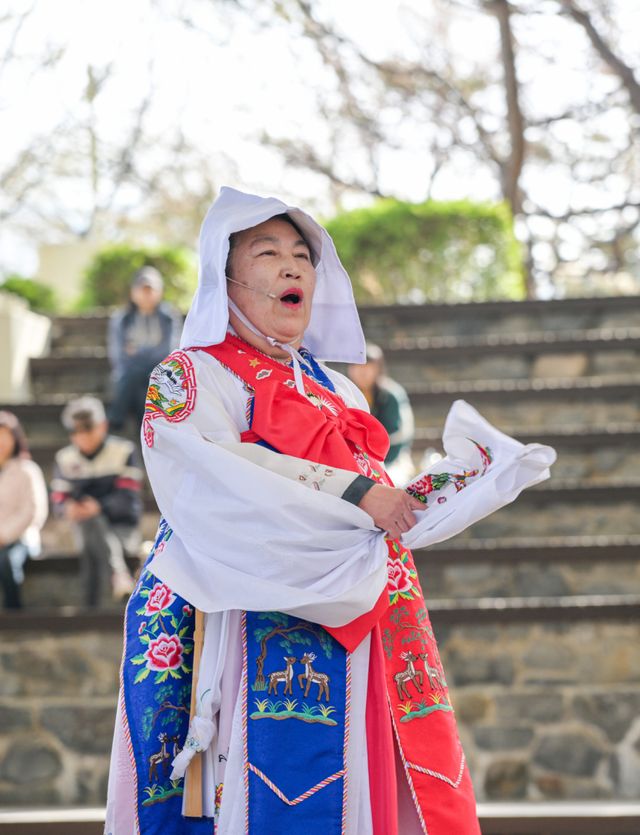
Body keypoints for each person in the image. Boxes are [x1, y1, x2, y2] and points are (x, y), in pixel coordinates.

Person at [105, 188, 482, 835]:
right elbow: (211, 470)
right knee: (258, 785)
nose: (292, 267)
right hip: (245, 604)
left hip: (363, 609)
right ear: (225, 279)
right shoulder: (190, 375)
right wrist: (356, 495)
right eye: (268, 253)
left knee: (360, 780)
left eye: (303, 256)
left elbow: (377, 489)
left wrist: (453, 487)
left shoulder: (338, 387)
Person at [50, 396, 142, 606]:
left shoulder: (123, 451)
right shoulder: (64, 459)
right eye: (75, 430)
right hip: (84, 529)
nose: (82, 436)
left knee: (92, 524)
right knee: (91, 522)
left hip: (123, 529)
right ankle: (118, 575)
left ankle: (88, 607)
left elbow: (128, 498)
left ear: (103, 426)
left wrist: (99, 507)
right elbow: (59, 500)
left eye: (88, 428)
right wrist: (69, 508)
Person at [107, 266, 182, 432]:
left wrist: (137, 351)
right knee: (136, 381)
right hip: (129, 373)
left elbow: (169, 351)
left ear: (160, 292)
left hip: (159, 372)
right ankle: (145, 430)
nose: (147, 295)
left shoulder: (169, 317)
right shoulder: (122, 319)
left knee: (146, 381)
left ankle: (116, 420)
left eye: (151, 290)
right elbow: (119, 355)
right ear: (133, 292)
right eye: (142, 290)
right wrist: (146, 354)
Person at [348, 342, 415, 485]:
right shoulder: (345, 393)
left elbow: (398, 436)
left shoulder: (391, 395)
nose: (362, 371)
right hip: (357, 458)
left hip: (392, 458)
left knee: (393, 483)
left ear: (378, 368)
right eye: (357, 365)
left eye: (368, 366)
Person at [0, 411, 48, 608]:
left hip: (21, 539)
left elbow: (33, 511)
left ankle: (14, 612)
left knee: (7, 562)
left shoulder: (27, 470)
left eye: (5, 436)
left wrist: (3, 536)